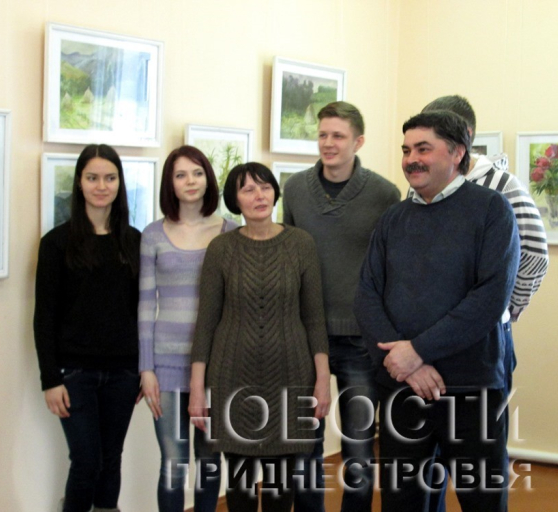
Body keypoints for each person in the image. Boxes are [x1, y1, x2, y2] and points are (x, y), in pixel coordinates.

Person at [354, 111, 520, 511]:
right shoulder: (393, 218)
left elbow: (489, 299)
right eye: (407, 150)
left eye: (423, 149)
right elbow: (367, 294)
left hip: (470, 389)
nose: (412, 159)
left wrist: (418, 351)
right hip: (402, 387)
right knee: (402, 501)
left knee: (481, 501)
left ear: (457, 152)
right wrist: (406, 363)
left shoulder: (492, 210)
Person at [420, 95, 549, 512]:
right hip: (431, 342)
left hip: (483, 348)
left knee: (479, 464)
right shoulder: (423, 186)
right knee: (428, 461)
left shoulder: (503, 186)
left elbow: (535, 255)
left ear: (464, 138)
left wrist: (504, 312)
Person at [189, 162, 331, 512]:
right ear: (235, 200)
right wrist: (197, 388)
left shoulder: (300, 244)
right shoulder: (221, 249)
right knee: (240, 493)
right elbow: (206, 322)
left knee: (282, 492)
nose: (259, 195)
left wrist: (323, 379)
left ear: (275, 193)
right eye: (248, 189)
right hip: (232, 381)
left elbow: (314, 318)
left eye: (265, 187)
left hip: (291, 379)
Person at [282, 101, 400, 512]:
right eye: (322, 135)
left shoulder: (385, 194)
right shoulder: (295, 189)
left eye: (338, 135)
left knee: (359, 450)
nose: (328, 143)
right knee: (304, 448)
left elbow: (392, 268)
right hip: (304, 337)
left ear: (358, 142)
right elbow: (287, 258)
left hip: (360, 342)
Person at [34, 144, 141, 512]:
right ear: (79, 182)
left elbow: (139, 312)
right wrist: (50, 379)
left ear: (119, 183)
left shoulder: (133, 241)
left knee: (111, 459)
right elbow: (44, 316)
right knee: (86, 462)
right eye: (92, 178)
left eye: (110, 178)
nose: (101, 186)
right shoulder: (56, 243)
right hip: (75, 374)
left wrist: (142, 370)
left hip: (123, 373)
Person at [138, 146, 238, 512]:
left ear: (207, 178)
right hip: (165, 365)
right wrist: (146, 369)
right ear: (170, 183)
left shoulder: (230, 231)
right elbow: (145, 305)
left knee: (209, 460)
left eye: (197, 173)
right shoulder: (153, 234)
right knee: (173, 463)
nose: (190, 181)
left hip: (215, 364)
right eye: (180, 175)